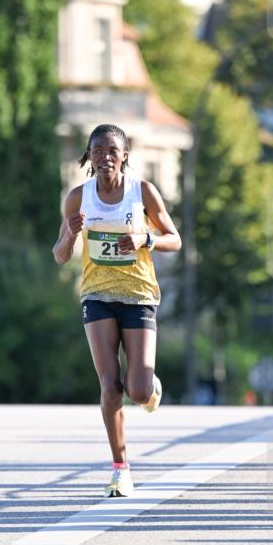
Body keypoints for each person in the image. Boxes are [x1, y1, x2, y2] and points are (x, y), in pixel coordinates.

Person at [53, 123, 181, 497]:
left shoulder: (142, 193)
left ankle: (149, 385)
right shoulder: (78, 198)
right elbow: (60, 256)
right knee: (110, 385)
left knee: (137, 391)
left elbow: (176, 239)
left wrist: (147, 238)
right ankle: (120, 468)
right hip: (97, 295)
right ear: (88, 157)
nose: (105, 157)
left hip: (139, 294)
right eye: (98, 151)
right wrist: (71, 234)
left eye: (113, 151)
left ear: (125, 156)